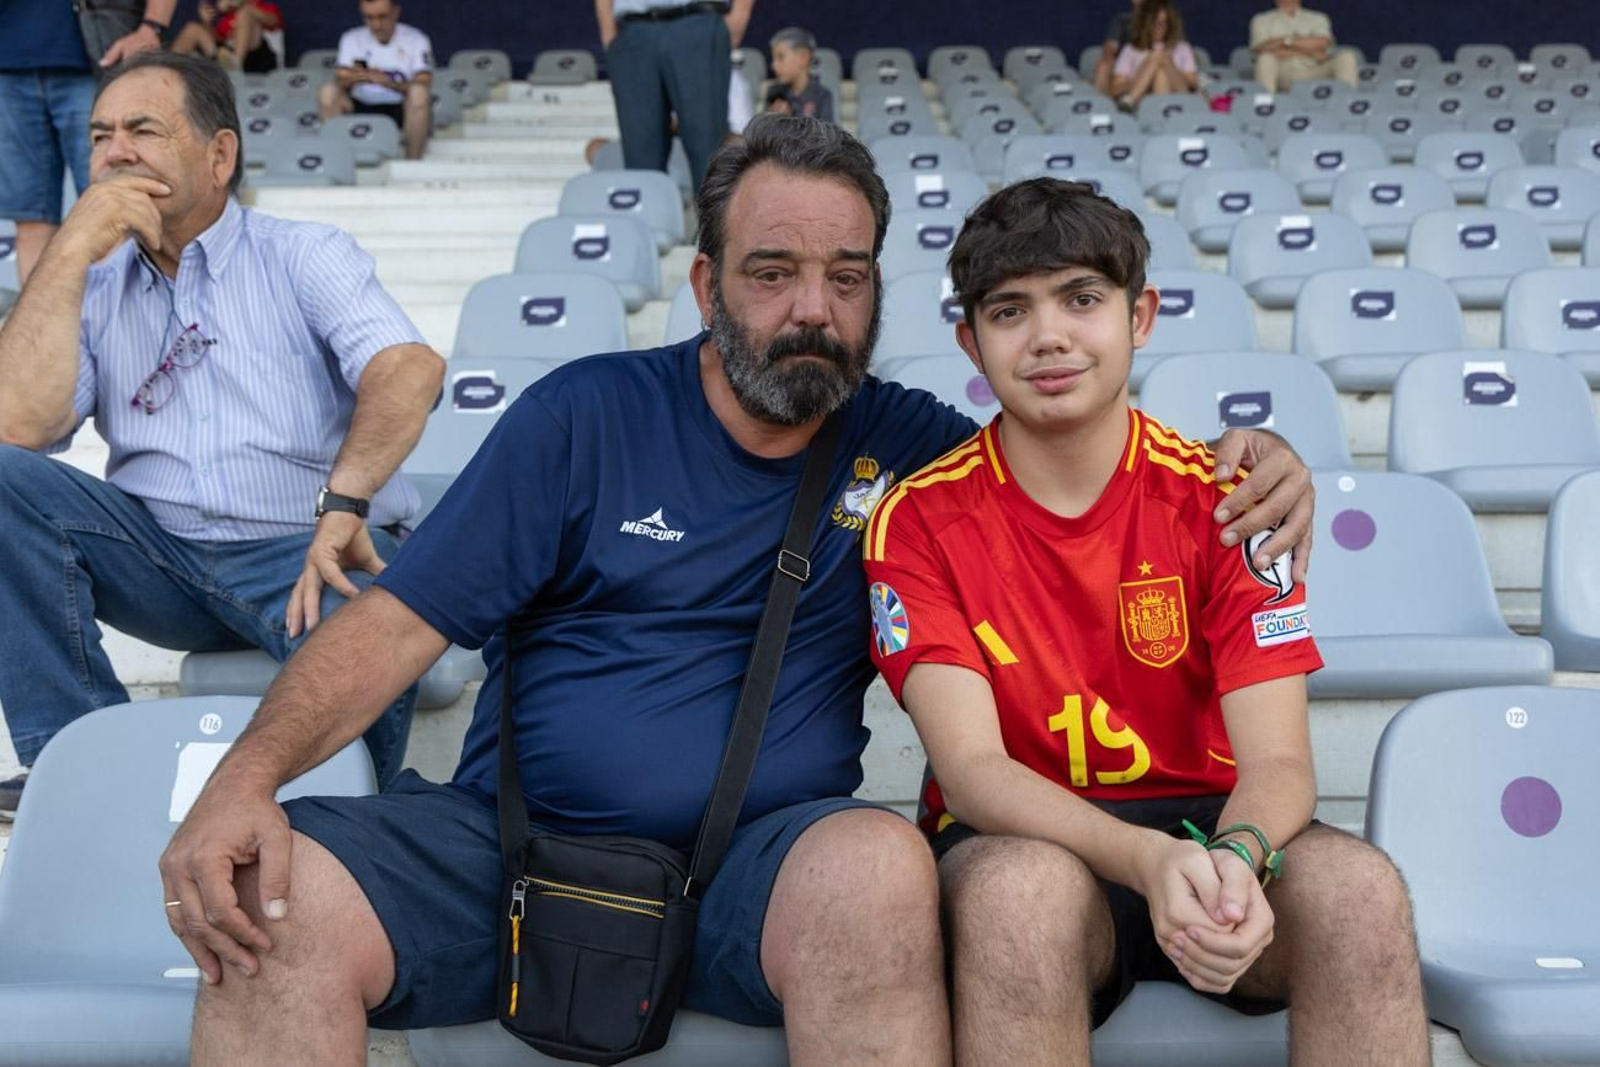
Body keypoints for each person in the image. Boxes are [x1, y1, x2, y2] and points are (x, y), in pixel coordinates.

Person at [156, 116, 1314, 1066]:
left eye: (845, 278)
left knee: (877, 868)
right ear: (708, 281)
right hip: (512, 848)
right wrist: (246, 776)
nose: (812, 308)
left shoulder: (914, 451)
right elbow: (396, 624)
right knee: (274, 903)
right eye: (773, 273)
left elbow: (1077, 453)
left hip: (763, 866)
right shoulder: (582, 416)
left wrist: (1256, 460)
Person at [862, 178, 1430, 1065]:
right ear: (970, 341)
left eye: (1082, 299)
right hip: (1023, 838)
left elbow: (1280, 764)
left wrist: (1236, 855)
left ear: (1142, 316)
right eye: (1010, 311)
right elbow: (972, 773)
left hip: (1214, 825)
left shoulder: (1234, 499)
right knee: (1018, 900)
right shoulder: (917, 519)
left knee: (1358, 893)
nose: (1049, 335)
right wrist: (1144, 859)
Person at [0, 52, 443, 819]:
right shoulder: (93, 284)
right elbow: (18, 428)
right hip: (158, 559)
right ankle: (77, 761)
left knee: (372, 610)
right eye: (100, 136)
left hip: (301, 553)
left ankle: (338, 816)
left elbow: (409, 369)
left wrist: (346, 500)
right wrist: (69, 248)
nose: (115, 153)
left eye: (142, 129)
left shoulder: (303, 252)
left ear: (220, 154)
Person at [0, 0, 172, 289]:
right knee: (30, 220)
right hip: (8, 63)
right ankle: (42, 319)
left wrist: (151, 27)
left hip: (96, 58)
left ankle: (125, 318)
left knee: (116, 211)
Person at [595, 0, 755, 191]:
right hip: (633, 30)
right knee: (640, 155)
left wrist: (740, 14)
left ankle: (713, 212)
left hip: (698, 23)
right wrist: (608, 33)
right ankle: (649, 210)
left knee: (707, 151)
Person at [319, 0, 434, 161]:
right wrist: (355, 78)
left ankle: (412, 162)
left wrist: (390, 83)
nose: (376, 24)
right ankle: (337, 160)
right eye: (369, 17)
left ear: (396, 12)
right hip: (360, 103)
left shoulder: (416, 39)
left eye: (382, 17)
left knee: (419, 94)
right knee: (327, 92)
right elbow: (340, 79)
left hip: (399, 107)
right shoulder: (352, 38)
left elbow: (424, 82)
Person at [1249, 0, 1358, 91]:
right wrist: (1308, 50)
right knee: (1265, 59)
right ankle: (1265, 105)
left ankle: (1348, 104)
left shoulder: (1318, 18)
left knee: (1346, 57)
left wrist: (1284, 42)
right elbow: (1262, 49)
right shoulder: (1261, 20)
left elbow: (1322, 44)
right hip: (1282, 72)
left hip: (1314, 70)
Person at [1110, 0, 1199, 108]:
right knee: (1159, 72)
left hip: (1180, 98)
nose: (1159, 28)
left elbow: (1192, 85)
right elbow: (1115, 90)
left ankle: (1129, 101)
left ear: (1170, 24)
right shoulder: (1131, 49)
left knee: (1159, 57)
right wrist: (1144, 79)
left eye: (1163, 23)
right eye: (1154, 22)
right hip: (1143, 104)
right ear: (1146, 23)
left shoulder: (1183, 48)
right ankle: (1154, 109)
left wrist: (1169, 67)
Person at [171, 0, 284, 75]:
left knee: (245, 13)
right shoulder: (225, 18)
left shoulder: (259, 6)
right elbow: (217, 41)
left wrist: (244, 6)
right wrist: (206, 22)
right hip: (225, 59)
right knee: (193, 28)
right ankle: (169, 68)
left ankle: (235, 64)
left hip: (256, 58)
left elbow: (273, 21)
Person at [767, 27, 834, 123]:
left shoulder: (822, 96)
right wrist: (771, 119)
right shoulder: (773, 93)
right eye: (773, 59)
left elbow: (827, 131)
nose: (774, 65)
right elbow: (761, 130)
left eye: (780, 57)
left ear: (803, 57)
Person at [1092, 0, 1141, 96]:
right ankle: (1102, 103)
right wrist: (1109, 58)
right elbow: (1110, 46)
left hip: (1148, 61)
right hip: (1124, 67)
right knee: (1103, 66)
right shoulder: (1123, 20)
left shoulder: (1162, 19)